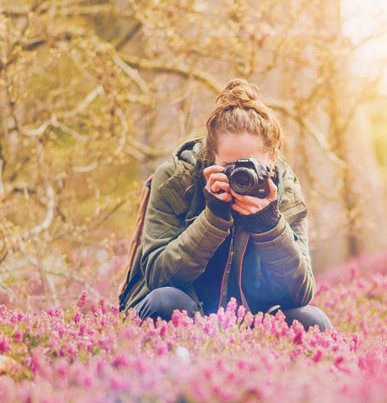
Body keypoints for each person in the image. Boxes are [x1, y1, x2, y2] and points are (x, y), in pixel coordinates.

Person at [118, 78, 332, 331]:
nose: (240, 175)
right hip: (182, 311)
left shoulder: (285, 192)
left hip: (247, 321)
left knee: (313, 322)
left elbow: (300, 293)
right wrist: (213, 219)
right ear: (212, 156)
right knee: (168, 301)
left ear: (273, 159)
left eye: (251, 166)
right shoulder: (178, 178)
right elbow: (158, 277)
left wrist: (270, 226)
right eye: (229, 166)